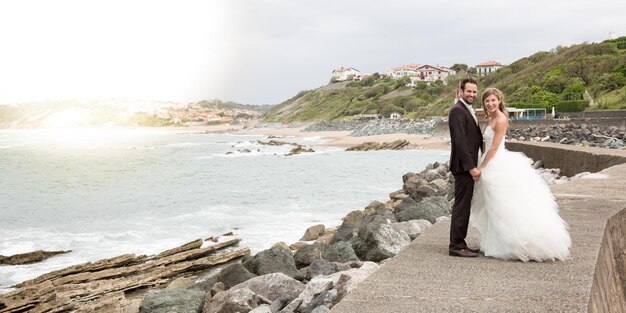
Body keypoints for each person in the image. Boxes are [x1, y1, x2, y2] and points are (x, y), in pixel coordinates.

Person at [470, 88, 571, 262]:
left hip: (496, 163)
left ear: (500, 100)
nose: (490, 103)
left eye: (493, 100)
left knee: (503, 205)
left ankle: (512, 243)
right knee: (494, 205)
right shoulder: (492, 117)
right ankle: (496, 242)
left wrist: (482, 167)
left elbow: (494, 147)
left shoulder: (500, 119)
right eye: (487, 101)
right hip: (492, 161)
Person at [448, 78, 483, 257]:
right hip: (463, 167)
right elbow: (460, 142)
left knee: (464, 205)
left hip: (467, 165)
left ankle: (461, 243)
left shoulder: (466, 109)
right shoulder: (457, 110)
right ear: (460, 91)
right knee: (461, 206)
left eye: (474, 92)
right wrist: (471, 168)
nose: (472, 95)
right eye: (469, 91)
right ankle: (456, 246)